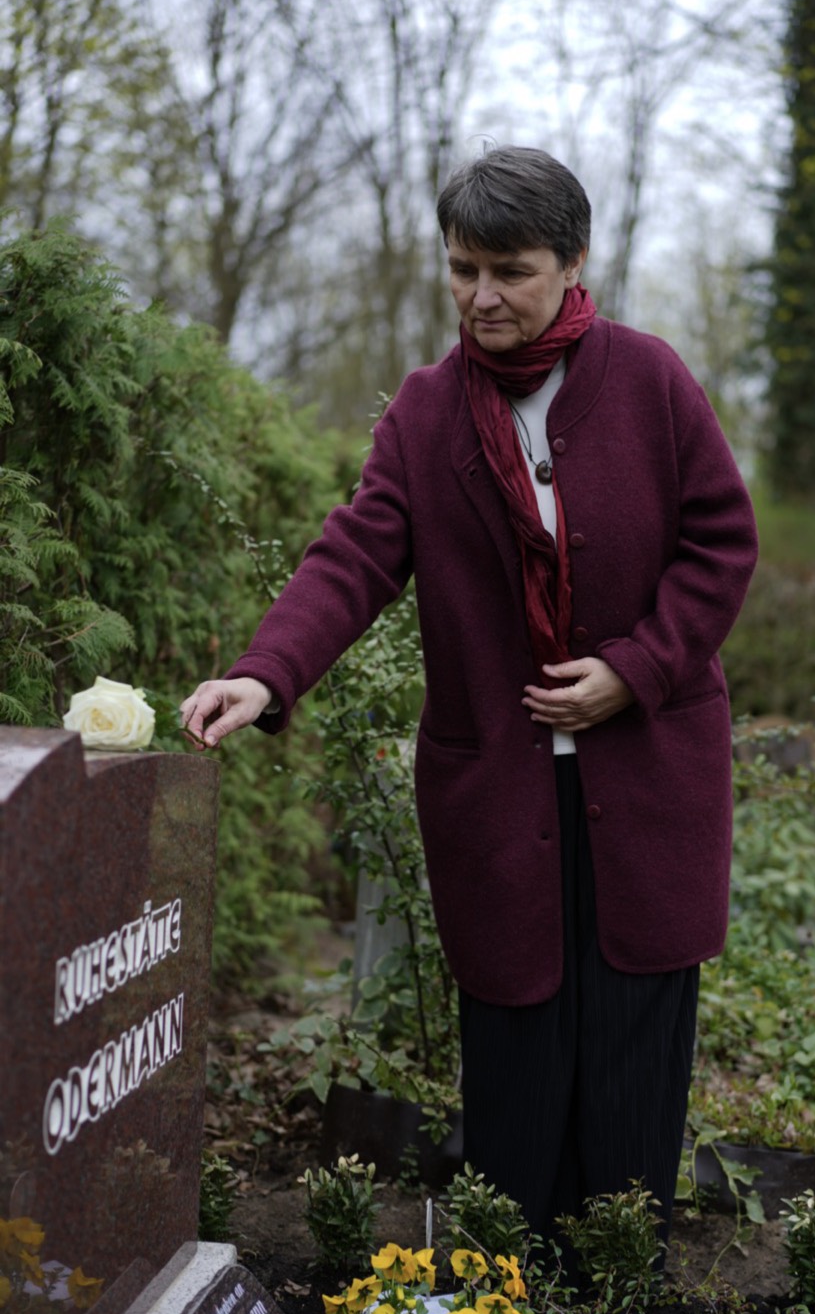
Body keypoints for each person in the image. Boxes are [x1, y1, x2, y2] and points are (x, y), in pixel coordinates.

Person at [182, 146, 757, 1247]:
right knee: (514, 1046)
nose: (480, 297)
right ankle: (505, 1311)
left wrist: (631, 673)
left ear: (573, 264)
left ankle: (616, 1308)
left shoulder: (650, 381)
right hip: (495, 792)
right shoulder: (427, 412)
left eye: (509, 270)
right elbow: (352, 557)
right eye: (461, 270)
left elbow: (721, 546)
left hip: (648, 784)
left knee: (636, 1045)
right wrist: (264, 672)